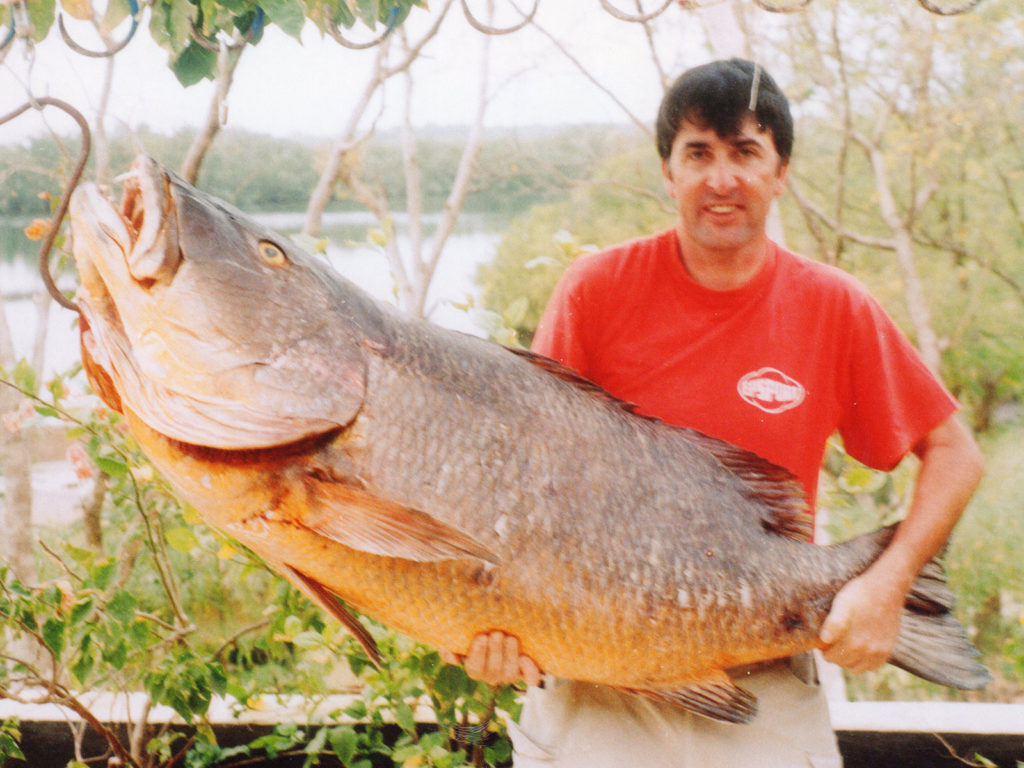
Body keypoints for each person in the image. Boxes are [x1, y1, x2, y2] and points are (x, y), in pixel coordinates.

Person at [443, 58, 985, 766]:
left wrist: (889, 581)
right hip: (597, 688)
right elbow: (527, 488)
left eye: (745, 152)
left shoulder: (833, 306)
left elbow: (957, 454)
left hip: (761, 680)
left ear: (780, 171)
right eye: (697, 153)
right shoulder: (594, 292)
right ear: (667, 173)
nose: (721, 179)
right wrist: (491, 626)